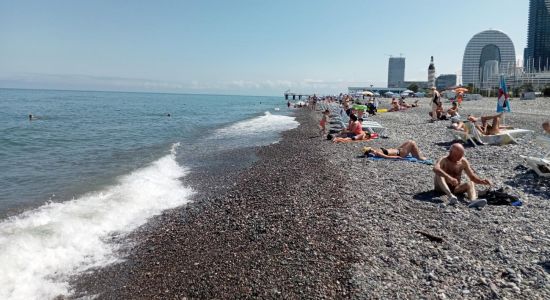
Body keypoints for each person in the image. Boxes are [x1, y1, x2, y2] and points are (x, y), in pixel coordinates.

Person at [363, 140, 428, 160]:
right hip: (400, 153)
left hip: (398, 150)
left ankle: (415, 155)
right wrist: (397, 157)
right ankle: (419, 157)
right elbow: (387, 157)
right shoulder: (377, 153)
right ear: (370, 151)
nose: (372, 149)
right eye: (370, 150)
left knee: (408, 141)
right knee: (412, 142)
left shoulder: (376, 151)